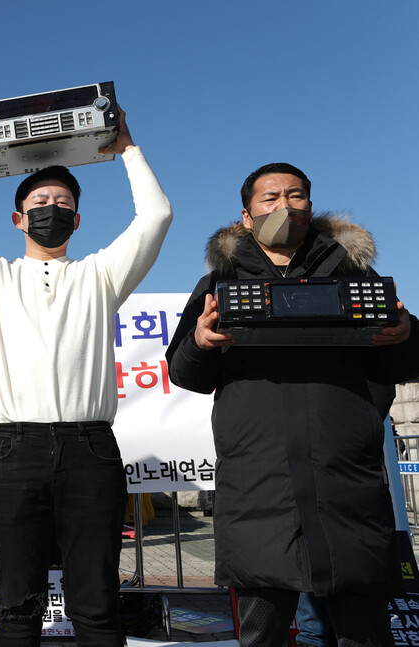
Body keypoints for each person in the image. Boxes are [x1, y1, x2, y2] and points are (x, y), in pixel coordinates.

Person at [0, 110, 172, 647]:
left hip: (90, 447)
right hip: (12, 449)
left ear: (77, 221)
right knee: (15, 605)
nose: (50, 211)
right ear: (17, 219)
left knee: (97, 603)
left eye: (62, 205)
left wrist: (127, 149)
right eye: (39, 204)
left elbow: (156, 217)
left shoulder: (102, 274)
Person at [165, 162, 419, 647]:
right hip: (257, 484)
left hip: (346, 480)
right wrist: (199, 341)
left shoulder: (353, 273)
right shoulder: (219, 283)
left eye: (296, 195)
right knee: (261, 633)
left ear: (310, 205)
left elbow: (400, 361)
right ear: (246, 216)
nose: (284, 206)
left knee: (363, 633)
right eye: (270, 198)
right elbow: (185, 373)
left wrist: (406, 335)